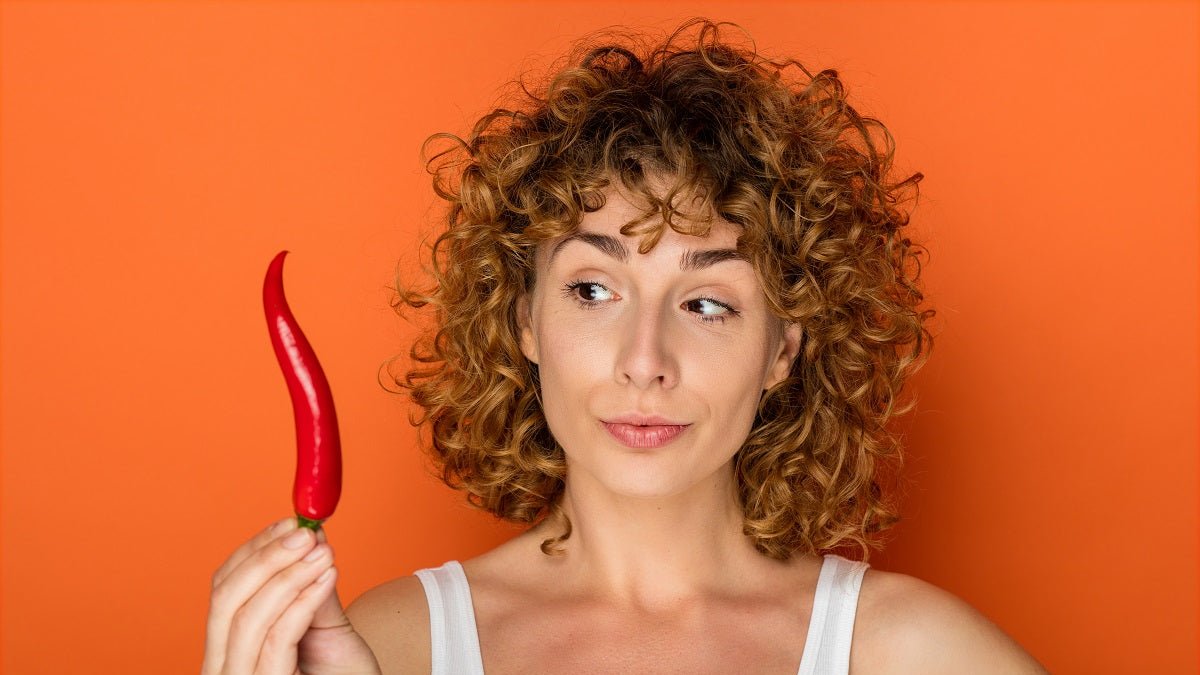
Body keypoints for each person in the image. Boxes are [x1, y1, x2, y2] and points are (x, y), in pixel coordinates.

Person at [203, 18, 1049, 675]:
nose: (645, 359)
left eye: (709, 301)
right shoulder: (384, 648)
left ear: (783, 348)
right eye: (593, 290)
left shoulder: (912, 653)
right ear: (525, 319)